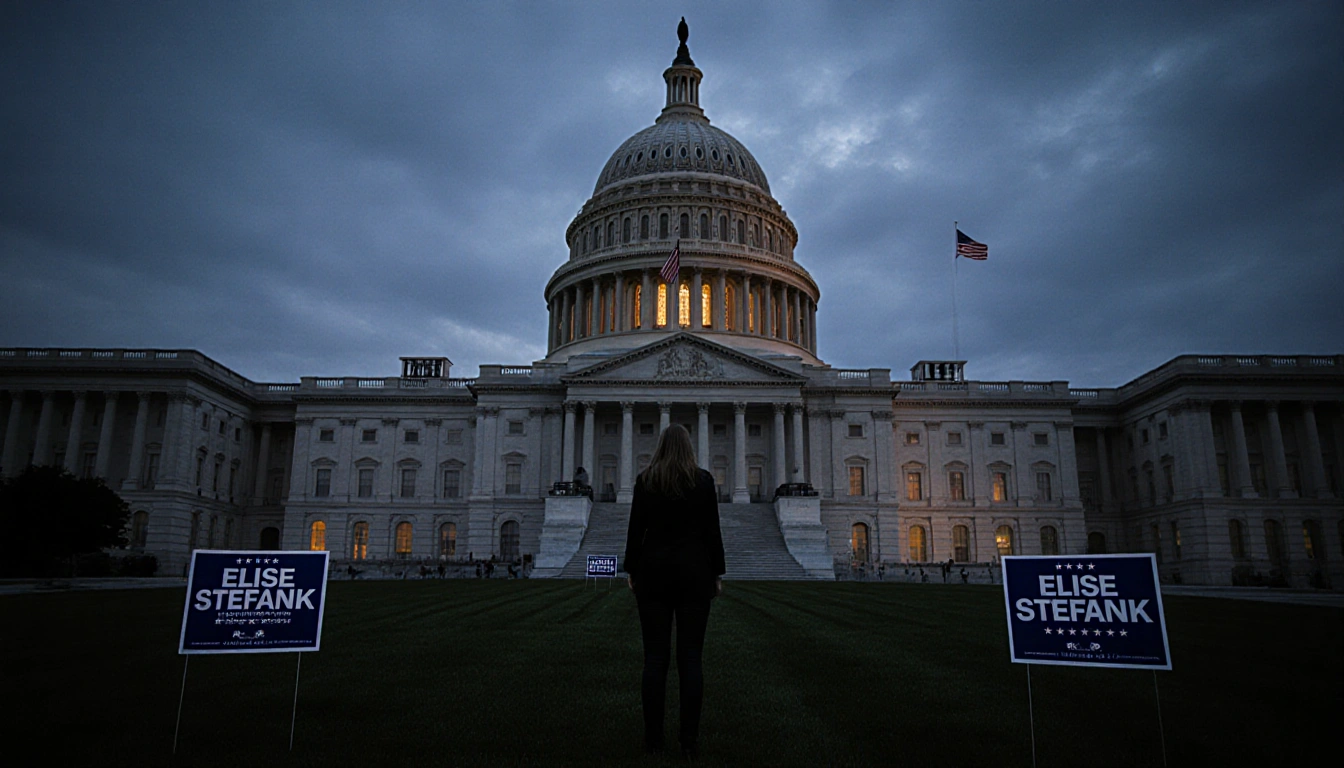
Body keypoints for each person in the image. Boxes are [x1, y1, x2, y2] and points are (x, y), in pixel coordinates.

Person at [623, 424, 725, 759]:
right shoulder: (704, 481)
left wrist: (631, 569)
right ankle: (688, 741)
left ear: (661, 446)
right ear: (689, 447)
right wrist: (717, 573)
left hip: (653, 574)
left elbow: (636, 529)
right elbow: (712, 530)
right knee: (691, 659)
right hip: (695, 573)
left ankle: (653, 742)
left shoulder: (646, 480)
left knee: (654, 659)